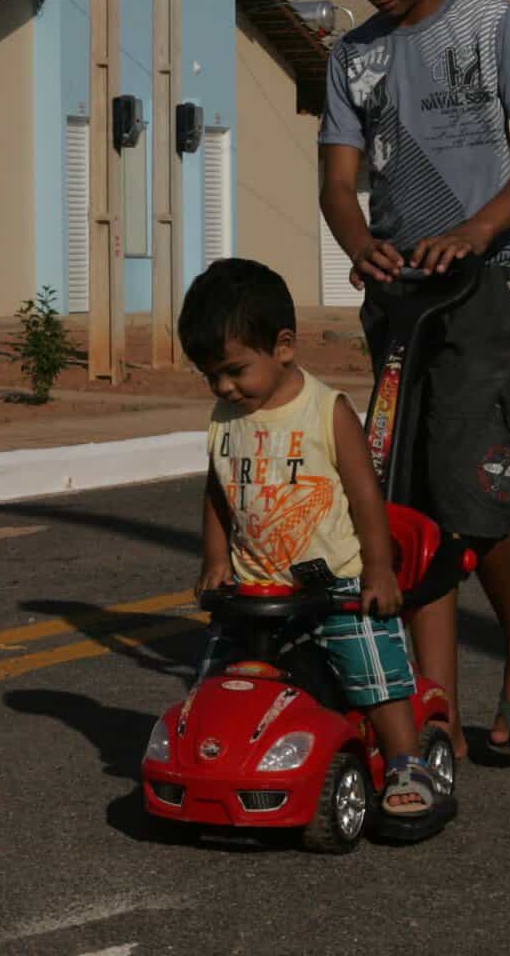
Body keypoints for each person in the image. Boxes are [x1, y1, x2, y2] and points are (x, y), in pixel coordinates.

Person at [317, 0, 510, 756]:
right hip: (399, 304)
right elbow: (339, 185)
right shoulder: (352, 57)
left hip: (484, 286)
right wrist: (359, 246)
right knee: (405, 497)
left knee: (470, 481)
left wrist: (474, 229)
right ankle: (433, 709)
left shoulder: (490, 25)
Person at [179, 257, 444, 821]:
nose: (224, 386)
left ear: (282, 347)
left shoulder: (326, 410)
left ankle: (404, 759)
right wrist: (215, 557)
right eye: (211, 375)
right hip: (257, 587)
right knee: (219, 681)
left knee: (371, 664)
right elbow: (218, 490)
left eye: (234, 370)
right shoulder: (226, 417)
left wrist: (377, 570)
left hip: (337, 582)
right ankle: (216, 758)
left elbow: (366, 495)